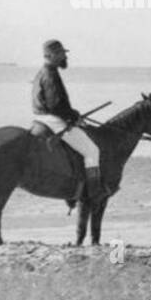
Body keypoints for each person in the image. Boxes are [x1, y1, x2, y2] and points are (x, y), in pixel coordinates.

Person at [31, 39, 107, 204]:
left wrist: (73, 115)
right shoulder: (50, 74)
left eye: (63, 53)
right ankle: (94, 193)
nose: (64, 56)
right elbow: (56, 105)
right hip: (53, 119)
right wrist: (74, 116)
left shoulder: (42, 72)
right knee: (92, 151)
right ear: (50, 55)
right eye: (60, 54)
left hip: (41, 118)